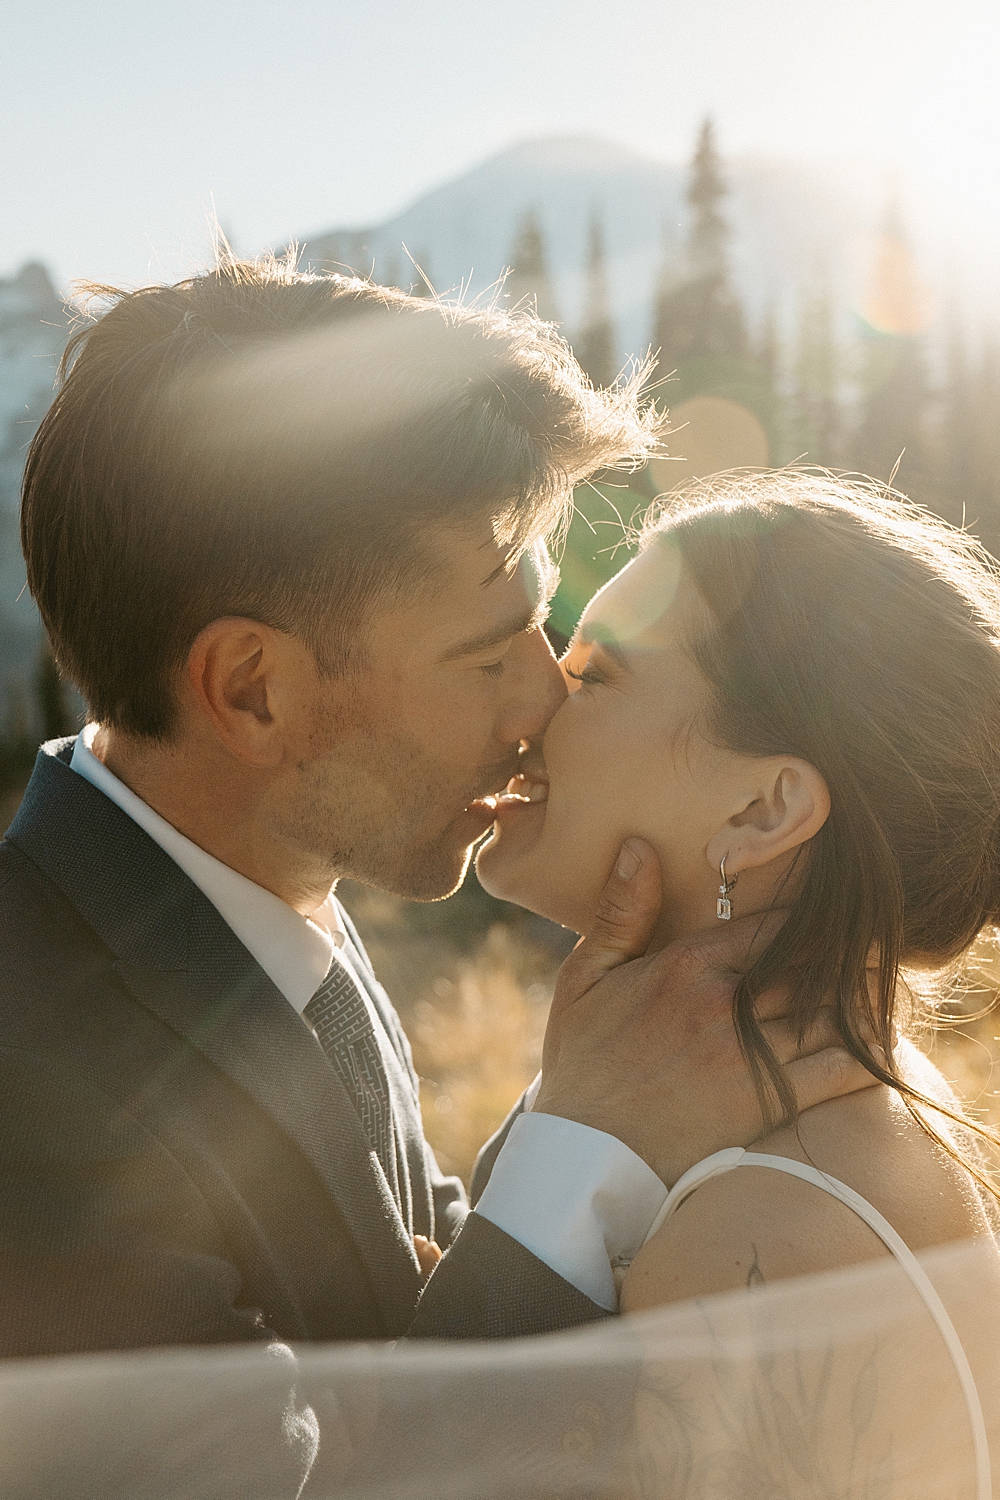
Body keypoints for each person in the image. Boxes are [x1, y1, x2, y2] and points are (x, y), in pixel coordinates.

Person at [1, 261, 867, 1383]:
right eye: (483, 654)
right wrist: (585, 1138)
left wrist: (572, 1110)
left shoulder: (268, 896)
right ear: (256, 691)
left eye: (539, 627)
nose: (545, 698)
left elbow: (415, 1326)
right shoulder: (32, 1090)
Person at [476, 471, 1000, 1494]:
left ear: (762, 810)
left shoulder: (751, 1239)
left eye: (599, 675)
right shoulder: (850, 1098)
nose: (536, 700)